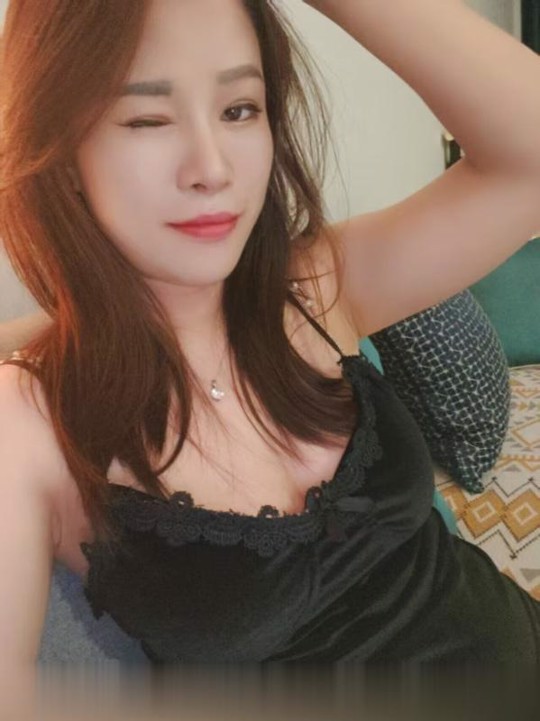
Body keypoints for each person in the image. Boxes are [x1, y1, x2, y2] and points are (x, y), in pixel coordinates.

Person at [1, 0, 540, 682]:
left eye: (239, 110)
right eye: (146, 119)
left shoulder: (314, 288)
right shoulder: (30, 419)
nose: (212, 168)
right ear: (60, 154)